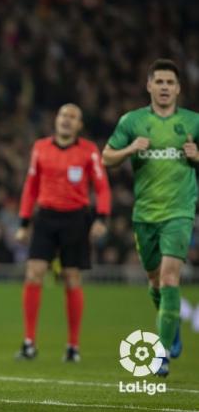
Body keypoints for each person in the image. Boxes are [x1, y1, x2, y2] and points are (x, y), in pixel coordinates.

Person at [102, 58, 197, 377]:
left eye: (171, 83)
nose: (165, 88)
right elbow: (106, 157)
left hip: (179, 213)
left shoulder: (193, 122)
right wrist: (129, 150)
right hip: (145, 215)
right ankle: (173, 328)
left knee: (170, 278)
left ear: (178, 88)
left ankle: (163, 352)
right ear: (149, 86)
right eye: (160, 82)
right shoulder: (132, 121)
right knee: (156, 283)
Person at [14, 104, 111, 362]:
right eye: (63, 115)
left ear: (80, 125)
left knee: (71, 277)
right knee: (33, 273)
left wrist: (101, 218)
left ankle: (73, 346)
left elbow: (102, 188)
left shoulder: (89, 151)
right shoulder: (40, 147)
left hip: (76, 219)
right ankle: (28, 343)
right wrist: (24, 222)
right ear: (56, 120)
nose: (67, 120)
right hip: (45, 217)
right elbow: (30, 186)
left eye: (73, 117)